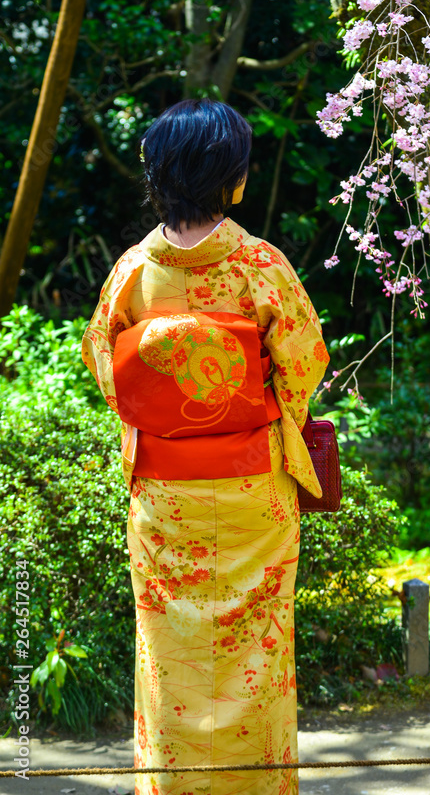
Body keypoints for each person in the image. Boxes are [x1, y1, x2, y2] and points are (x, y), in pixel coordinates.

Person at [82, 99, 329, 795]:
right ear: (236, 180)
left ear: (156, 177)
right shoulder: (260, 265)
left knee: (170, 655)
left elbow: (109, 372)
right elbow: (304, 361)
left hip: (165, 500)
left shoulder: (132, 272)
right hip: (253, 496)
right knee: (259, 648)